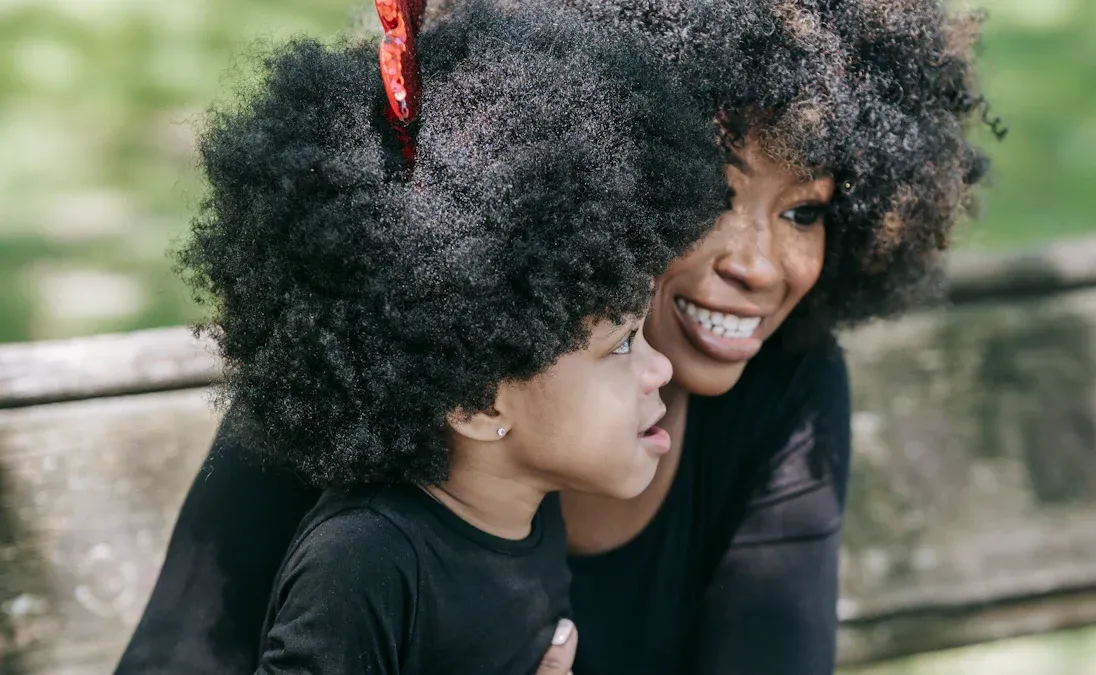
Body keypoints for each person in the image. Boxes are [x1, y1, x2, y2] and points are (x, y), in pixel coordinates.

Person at [115, 1, 998, 674]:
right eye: (719, 194)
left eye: (805, 209)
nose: (762, 265)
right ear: (601, 175)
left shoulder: (786, 387)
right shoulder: (377, 369)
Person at [134, 1, 725, 673]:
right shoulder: (364, 563)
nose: (659, 370)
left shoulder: (527, 517)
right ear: (479, 401)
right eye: (620, 343)